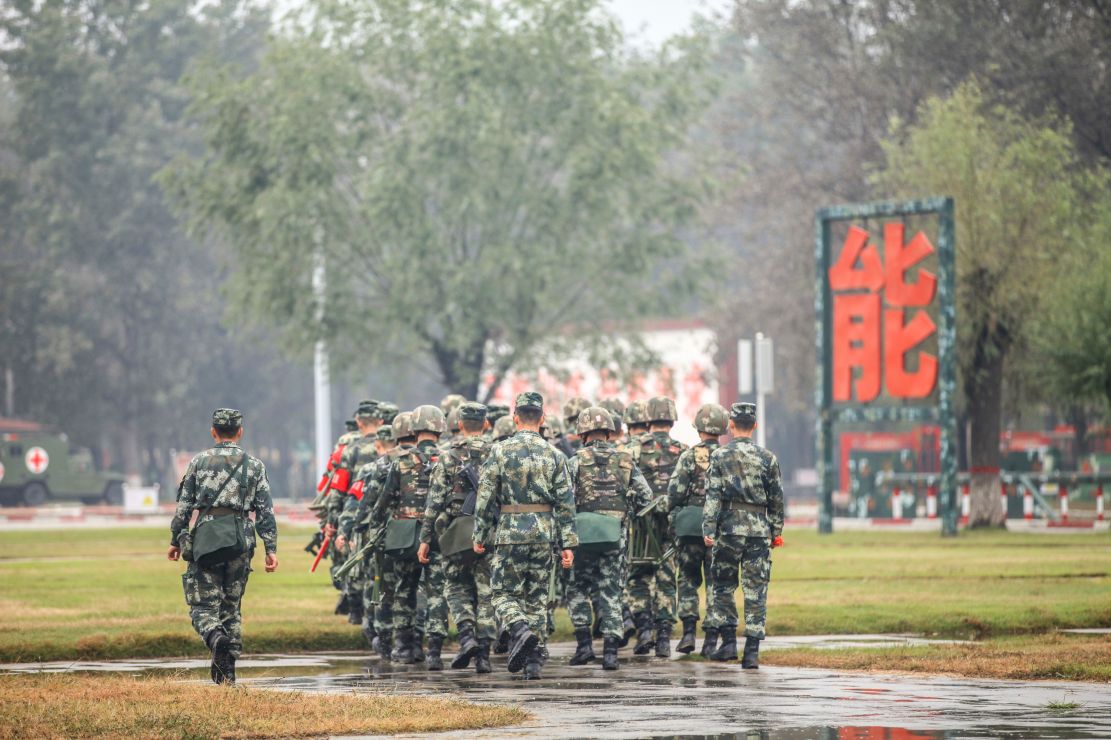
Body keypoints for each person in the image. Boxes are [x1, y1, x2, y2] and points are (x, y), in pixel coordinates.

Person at [168, 408, 278, 684]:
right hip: (241, 540)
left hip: (206, 539)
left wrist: (176, 540)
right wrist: (271, 549)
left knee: (203, 607)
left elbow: (183, 507)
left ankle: (215, 637)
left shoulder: (198, 462)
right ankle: (228, 674)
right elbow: (265, 511)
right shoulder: (254, 465)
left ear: (213, 432)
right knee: (232, 606)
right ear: (240, 432)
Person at [473, 391, 578, 680]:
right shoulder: (555, 455)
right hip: (544, 531)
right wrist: (567, 542)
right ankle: (533, 663)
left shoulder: (499, 451)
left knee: (503, 593)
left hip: (510, 529)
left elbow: (484, 497)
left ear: (515, 417)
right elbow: (566, 503)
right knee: (538, 596)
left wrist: (480, 533)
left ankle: (518, 629)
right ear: (542, 419)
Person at [565, 407, 653, 670]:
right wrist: (628, 512)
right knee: (611, 590)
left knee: (578, 588)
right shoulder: (625, 460)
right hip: (616, 535)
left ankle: (584, 647)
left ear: (583, 433)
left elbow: (564, 498)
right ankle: (612, 652)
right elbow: (646, 496)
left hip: (581, 537)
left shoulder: (575, 462)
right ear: (610, 431)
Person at [702, 402, 784, 668]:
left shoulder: (719, 456)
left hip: (728, 529)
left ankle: (727, 644)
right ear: (755, 426)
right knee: (756, 588)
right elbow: (776, 499)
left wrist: (708, 527)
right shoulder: (768, 458)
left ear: (731, 425)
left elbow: (713, 495)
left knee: (723, 585)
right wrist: (776, 531)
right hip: (759, 532)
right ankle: (751, 651)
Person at [419, 401, 494, 673]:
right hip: (489, 534)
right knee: (486, 593)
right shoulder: (497, 454)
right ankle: (484, 656)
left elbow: (434, 501)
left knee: (456, 588)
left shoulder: (448, 456)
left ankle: (467, 637)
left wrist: (426, 538)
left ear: (459, 425)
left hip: (453, 535)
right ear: (486, 424)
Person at [369, 405, 445, 664]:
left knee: (405, 590)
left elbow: (384, 502)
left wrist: (378, 531)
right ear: (440, 428)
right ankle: (434, 651)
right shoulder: (448, 459)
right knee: (436, 592)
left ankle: (405, 647)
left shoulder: (400, 461)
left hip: (406, 535)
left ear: (414, 430)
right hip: (438, 535)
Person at [627, 396, 687, 658]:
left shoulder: (634, 449)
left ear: (648, 419)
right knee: (666, 579)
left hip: (641, 525)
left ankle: (644, 631)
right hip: (671, 524)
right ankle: (664, 638)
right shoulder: (683, 450)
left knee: (638, 578)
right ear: (672, 421)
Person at [666, 403, 728, 656]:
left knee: (688, 580)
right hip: (720, 528)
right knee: (716, 582)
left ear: (699, 428)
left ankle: (689, 633)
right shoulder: (727, 455)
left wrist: (675, 518)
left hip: (690, 526)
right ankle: (712, 638)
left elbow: (675, 493)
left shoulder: (689, 456)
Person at [327, 400, 383, 627]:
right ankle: (377, 613)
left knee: (354, 561)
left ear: (359, 422)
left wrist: (334, 520)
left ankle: (356, 610)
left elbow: (338, 489)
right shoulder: (390, 449)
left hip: (354, 514)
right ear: (380, 421)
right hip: (383, 516)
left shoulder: (350, 451)